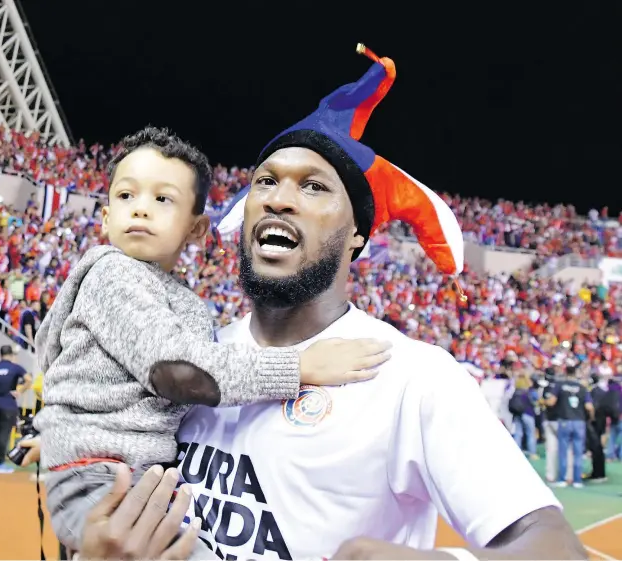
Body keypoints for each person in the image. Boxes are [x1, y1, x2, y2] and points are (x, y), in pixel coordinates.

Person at [111, 46, 581, 559]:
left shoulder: (412, 377)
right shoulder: (196, 359)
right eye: (265, 182)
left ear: (357, 235)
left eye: (313, 187)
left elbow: (554, 545)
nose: (278, 198)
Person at [33, 126, 392, 553]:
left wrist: (62, 427)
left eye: (162, 199)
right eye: (126, 196)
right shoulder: (113, 272)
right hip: (101, 475)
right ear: (106, 216)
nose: (140, 210)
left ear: (197, 229)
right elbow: (177, 372)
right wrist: (300, 366)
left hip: (116, 471)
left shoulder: (174, 297)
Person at [0, 345, 32, 474]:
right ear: (11, 355)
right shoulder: (15, 368)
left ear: (0, 355)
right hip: (8, 404)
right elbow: (28, 379)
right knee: (3, 434)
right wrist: (20, 390)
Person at [545, 364, 594, 488]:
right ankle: (577, 480)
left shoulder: (560, 385)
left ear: (565, 372)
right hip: (579, 421)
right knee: (578, 452)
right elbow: (589, 407)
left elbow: (551, 402)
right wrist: (591, 418)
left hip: (565, 420)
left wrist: (542, 402)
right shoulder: (582, 388)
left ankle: (562, 479)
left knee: (563, 451)